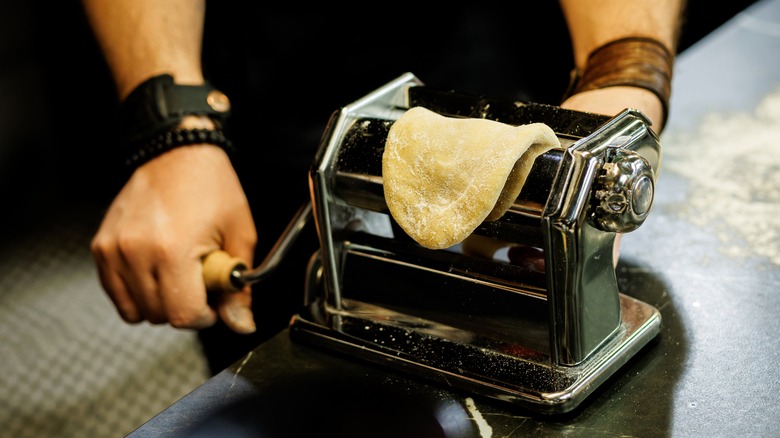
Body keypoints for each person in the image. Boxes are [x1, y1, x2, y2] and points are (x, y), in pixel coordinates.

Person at [81, 1, 684, 373]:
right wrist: (173, 125)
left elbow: (617, 71)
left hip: (464, 56)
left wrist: (626, 70)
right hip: (259, 81)